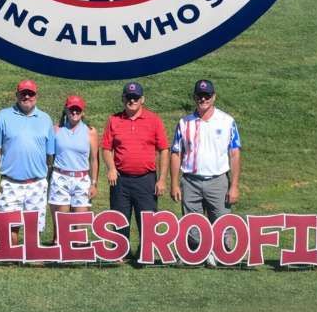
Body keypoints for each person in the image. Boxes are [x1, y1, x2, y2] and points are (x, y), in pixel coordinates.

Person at [170, 79, 241, 265]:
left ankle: (222, 255)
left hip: (217, 180)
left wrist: (234, 186)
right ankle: (195, 255)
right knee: (192, 225)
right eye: (199, 96)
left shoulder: (227, 121)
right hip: (191, 180)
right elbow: (176, 153)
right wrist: (175, 183)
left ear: (214, 97)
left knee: (222, 222)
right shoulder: (184, 122)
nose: (203, 99)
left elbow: (234, 154)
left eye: (207, 96)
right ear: (194, 97)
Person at [0, 78, 55, 246]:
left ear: (36, 96)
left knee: (34, 226)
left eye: (30, 93)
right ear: (17, 95)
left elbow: (50, 155)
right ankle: (12, 255)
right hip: (11, 182)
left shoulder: (45, 119)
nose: (27, 97)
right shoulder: (4, 116)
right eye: (23, 93)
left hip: (36, 182)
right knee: (9, 225)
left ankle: (32, 255)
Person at [101, 81, 169, 260]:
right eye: (128, 97)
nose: (132, 101)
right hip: (120, 179)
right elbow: (106, 148)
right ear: (123, 99)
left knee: (147, 219)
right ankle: (120, 252)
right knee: (119, 217)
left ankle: (145, 252)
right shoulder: (114, 120)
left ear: (142, 99)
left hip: (146, 179)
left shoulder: (154, 120)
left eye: (135, 98)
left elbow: (163, 150)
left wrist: (162, 179)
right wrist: (111, 168)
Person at [48, 94, 99, 244]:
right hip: (60, 177)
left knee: (80, 227)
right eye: (72, 109)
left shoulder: (90, 131)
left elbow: (94, 159)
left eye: (78, 110)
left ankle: (77, 255)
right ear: (66, 110)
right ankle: (57, 255)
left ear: (83, 112)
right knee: (60, 227)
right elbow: (49, 156)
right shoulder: (56, 130)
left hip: (82, 179)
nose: (74, 113)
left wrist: (94, 183)